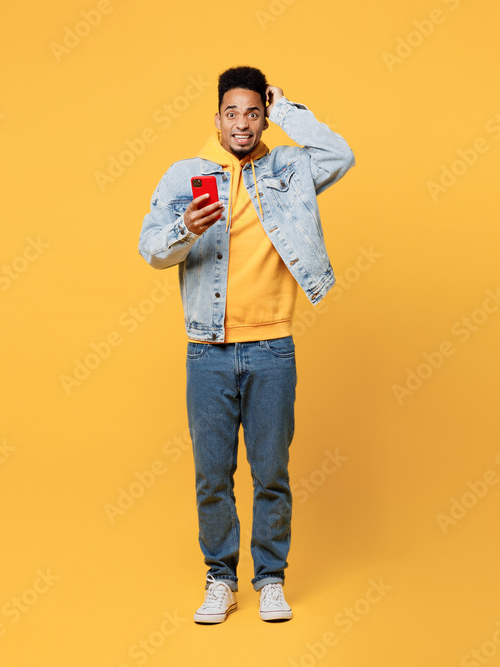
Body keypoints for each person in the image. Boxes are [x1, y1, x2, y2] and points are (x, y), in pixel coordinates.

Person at [137, 66, 354, 623]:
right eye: (232, 113)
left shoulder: (288, 165)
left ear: (263, 116)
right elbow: (152, 251)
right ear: (217, 118)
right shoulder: (184, 174)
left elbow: (341, 154)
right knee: (213, 474)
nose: (242, 123)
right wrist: (185, 226)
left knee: (270, 472)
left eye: (253, 112)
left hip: (272, 347)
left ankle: (271, 578)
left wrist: (287, 110)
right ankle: (221, 579)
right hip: (206, 350)